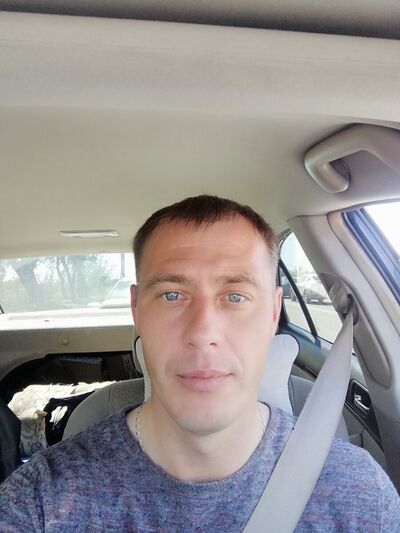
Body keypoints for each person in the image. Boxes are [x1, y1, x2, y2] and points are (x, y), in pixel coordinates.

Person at [0, 194, 399, 532]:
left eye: (236, 296)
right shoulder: (41, 502)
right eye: (172, 295)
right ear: (137, 310)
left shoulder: (359, 494)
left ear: (273, 312)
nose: (203, 332)